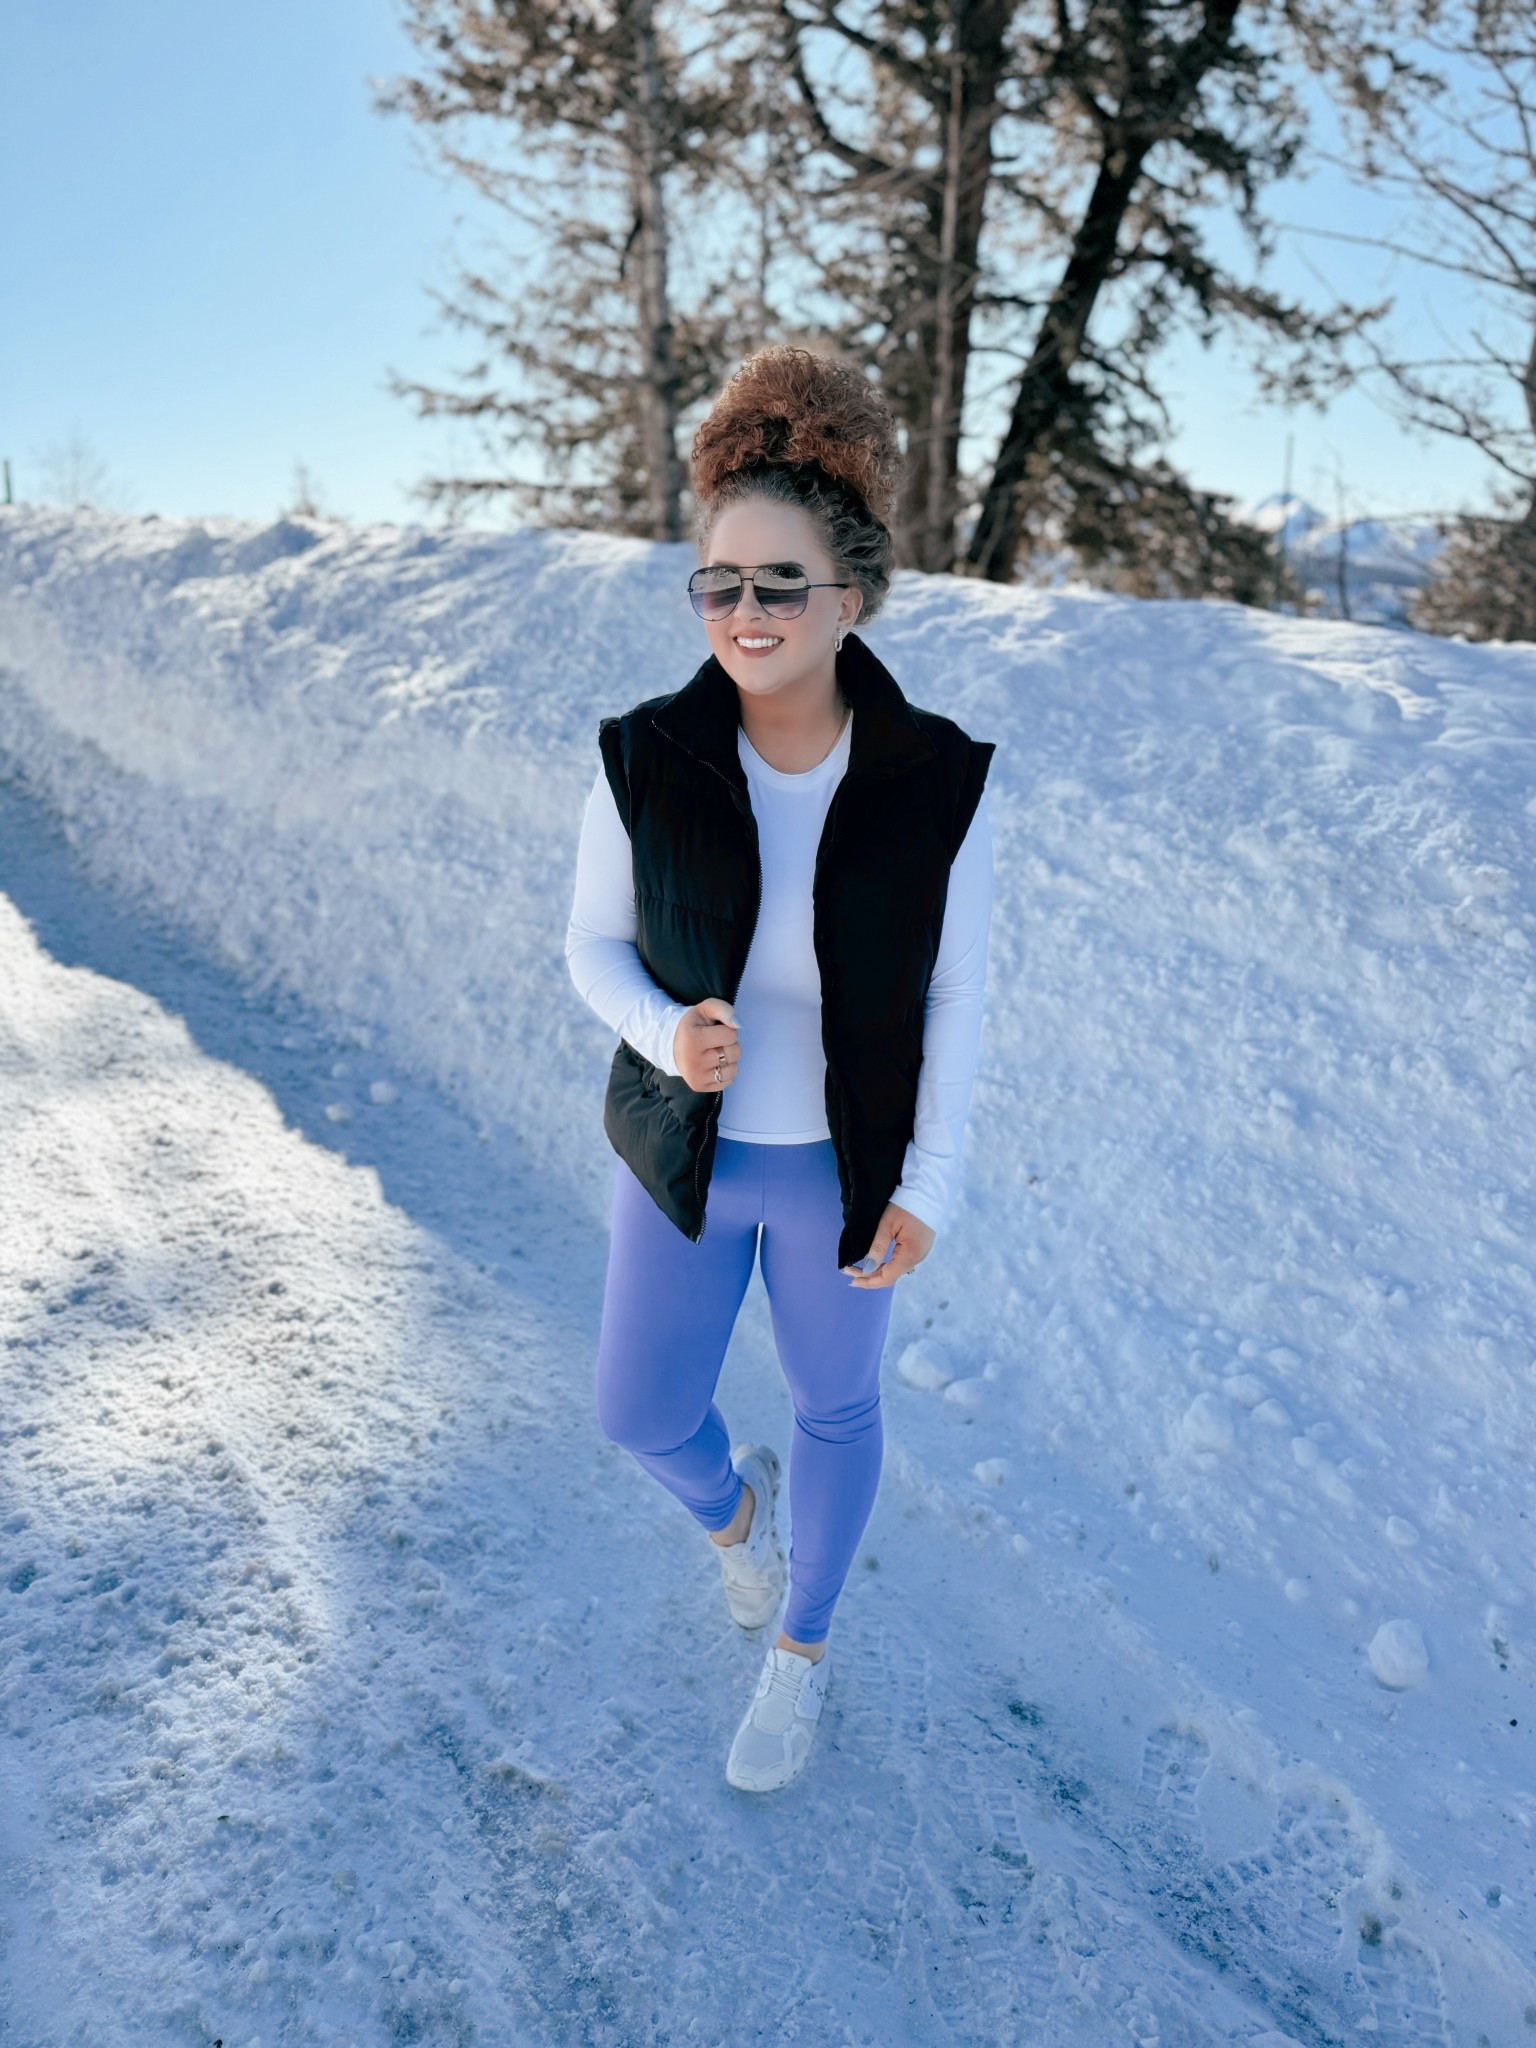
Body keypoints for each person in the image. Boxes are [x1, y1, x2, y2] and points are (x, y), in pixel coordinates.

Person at [564, 342, 995, 1793]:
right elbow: (591, 951)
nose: (744, 614)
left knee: (835, 1407)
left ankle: (799, 1654)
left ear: (849, 598)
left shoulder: (937, 780)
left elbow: (960, 997)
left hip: (838, 1172)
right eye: (720, 583)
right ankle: (737, 1526)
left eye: (779, 585)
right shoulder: (643, 758)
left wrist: (927, 1184)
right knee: (637, 1411)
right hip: (689, 1157)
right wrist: (664, 1034)